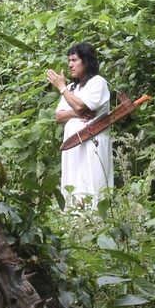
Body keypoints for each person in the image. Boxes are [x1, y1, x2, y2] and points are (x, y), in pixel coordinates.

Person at [46, 42, 113, 209]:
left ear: (86, 61)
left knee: (93, 181)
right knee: (74, 182)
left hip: (93, 143)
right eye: (69, 60)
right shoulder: (72, 88)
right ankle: (75, 222)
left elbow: (80, 106)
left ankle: (97, 220)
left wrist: (61, 88)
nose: (70, 65)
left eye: (74, 60)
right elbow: (58, 116)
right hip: (73, 146)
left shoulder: (98, 82)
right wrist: (76, 113)